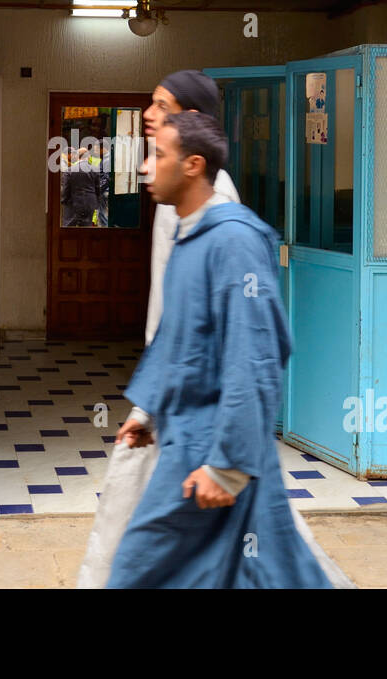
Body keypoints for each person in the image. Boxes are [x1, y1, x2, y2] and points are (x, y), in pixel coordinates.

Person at [106, 113, 330, 588]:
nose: (146, 168)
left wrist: (227, 465)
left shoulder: (234, 242)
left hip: (209, 454)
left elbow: (256, 358)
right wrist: (148, 413)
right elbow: (179, 340)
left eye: (158, 156)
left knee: (138, 570)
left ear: (193, 164)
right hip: (187, 445)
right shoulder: (191, 238)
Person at [142, 71, 239, 346]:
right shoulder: (177, 184)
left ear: (189, 117)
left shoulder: (213, 195)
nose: (149, 114)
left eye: (161, 106)